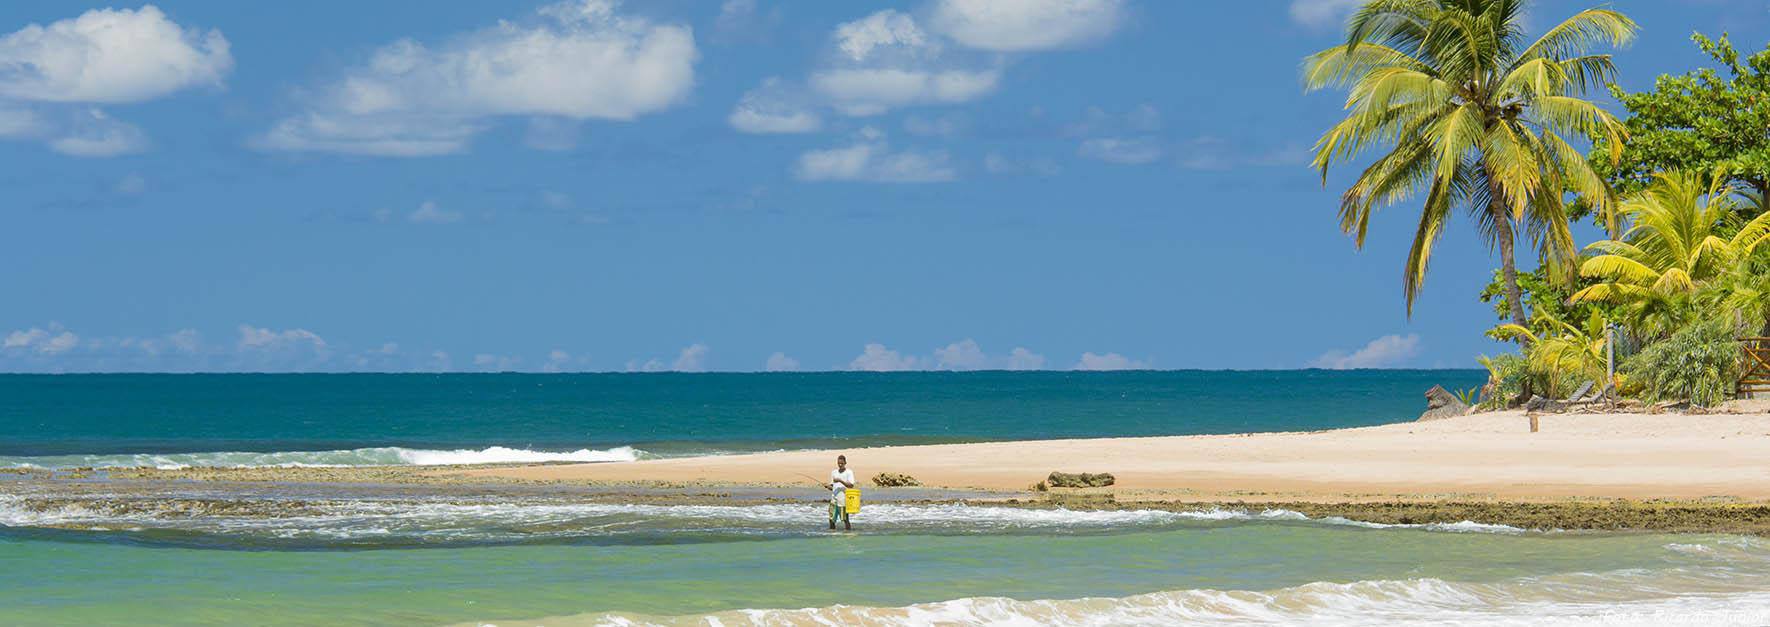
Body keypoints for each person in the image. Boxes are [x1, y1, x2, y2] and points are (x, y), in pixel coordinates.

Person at [826, 454, 855, 530]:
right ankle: (832, 534)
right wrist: (828, 486)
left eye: (842, 463)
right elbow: (832, 487)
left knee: (845, 519)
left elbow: (851, 486)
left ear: (845, 463)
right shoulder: (834, 472)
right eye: (838, 463)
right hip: (834, 499)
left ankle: (848, 534)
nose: (840, 465)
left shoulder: (849, 472)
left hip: (843, 500)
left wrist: (840, 480)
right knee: (831, 519)